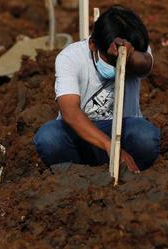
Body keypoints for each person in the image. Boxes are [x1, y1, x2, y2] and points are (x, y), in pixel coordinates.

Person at [34, 5, 160, 173]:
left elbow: (145, 64)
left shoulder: (137, 51)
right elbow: (70, 112)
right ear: (93, 44)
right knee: (49, 137)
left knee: (146, 136)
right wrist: (111, 147)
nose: (116, 66)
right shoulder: (70, 57)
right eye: (110, 60)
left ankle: (130, 171)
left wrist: (128, 56)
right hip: (81, 132)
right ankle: (75, 174)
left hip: (123, 130)